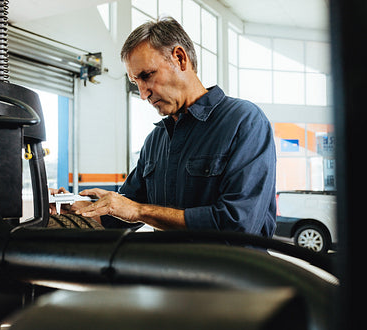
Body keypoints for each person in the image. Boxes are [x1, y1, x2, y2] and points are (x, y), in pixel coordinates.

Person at [60, 17, 277, 237]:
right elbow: (123, 214)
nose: (143, 94)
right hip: (172, 268)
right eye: (136, 83)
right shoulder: (156, 140)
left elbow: (238, 223)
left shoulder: (244, 122)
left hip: (234, 270)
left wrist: (138, 210)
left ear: (180, 58)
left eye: (147, 75)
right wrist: (77, 207)